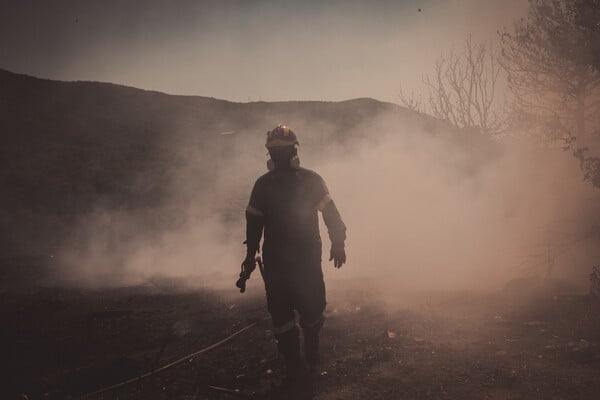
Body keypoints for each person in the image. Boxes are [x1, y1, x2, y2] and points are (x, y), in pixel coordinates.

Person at [240, 124, 347, 387]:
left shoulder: (297, 182)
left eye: (282, 151)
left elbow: (331, 214)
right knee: (286, 318)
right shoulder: (270, 185)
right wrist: (249, 258)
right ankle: (296, 366)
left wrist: (338, 242)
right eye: (276, 152)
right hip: (286, 262)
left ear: (292, 151)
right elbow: (254, 226)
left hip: (300, 262)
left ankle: (305, 359)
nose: (279, 156)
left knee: (304, 313)